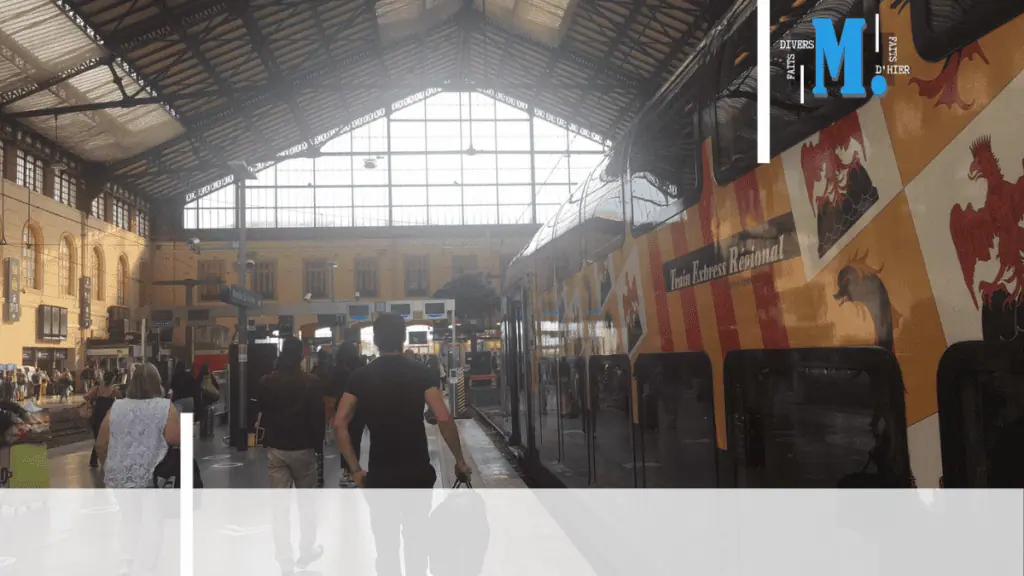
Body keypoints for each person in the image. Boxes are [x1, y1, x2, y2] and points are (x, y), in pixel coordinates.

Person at [334, 313, 472, 576]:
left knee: (386, 548)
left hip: (381, 475)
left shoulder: (361, 377)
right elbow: (443, 418)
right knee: (416, 542)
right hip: (416, 472)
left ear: (376, 340)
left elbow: (339, 423)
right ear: (403, 338)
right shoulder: (421, 372)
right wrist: (459, 461)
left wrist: (355, 469)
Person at [255, 337, 325, 573]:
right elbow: (318, 418)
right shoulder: (312, 383)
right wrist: (318, 448)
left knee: (279, 508)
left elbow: (262, 410)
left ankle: (284, 560)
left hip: (277, 449)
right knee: (307, 505)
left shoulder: (267, 381)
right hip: (304, 449)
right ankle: (306, 551)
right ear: (302, 356)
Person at [96, 363, 180, 486]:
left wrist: (109, 465)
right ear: (157, 383)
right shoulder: (164, 406)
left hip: (120, 478)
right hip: (153, 477)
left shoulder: (117, 407)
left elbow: (100, 444)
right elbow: (175, 438)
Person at [328, 342, 364, 488]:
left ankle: (345, 471)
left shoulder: (336, 369)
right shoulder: (359, 368)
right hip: (357, 409)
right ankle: (354, 470)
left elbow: (329, 393)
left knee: (343, 439)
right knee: (355, 439)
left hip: (340, 409)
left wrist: (331, 414)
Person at [86, 371, 120, 469]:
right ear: (113, 379)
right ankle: (100, 460)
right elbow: (122, 398)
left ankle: (94, 461)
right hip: (107, 418)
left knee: (98, 439)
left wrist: (92, 402)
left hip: (96, 416)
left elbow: (86, 396)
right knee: (106, 439)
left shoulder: (97, 388)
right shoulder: (113, 391)